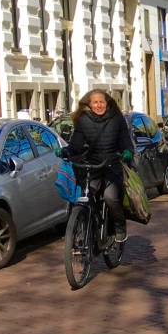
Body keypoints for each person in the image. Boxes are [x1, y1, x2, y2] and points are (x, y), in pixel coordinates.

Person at [60, 89, 134, 242]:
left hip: (111, 166)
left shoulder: (117, 119)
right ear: (90, 104)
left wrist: (127, 151)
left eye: (101, 102)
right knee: (87, 196)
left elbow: (125, 140)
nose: (99, 105)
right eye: (95, 102)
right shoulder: (83, 121)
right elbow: (76, 144)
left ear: (107, 103)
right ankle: (91, 229)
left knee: (110, 197)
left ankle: (119, 226)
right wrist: (66, 151)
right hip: (92, 167)